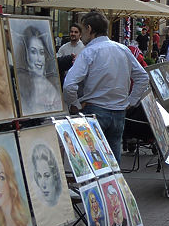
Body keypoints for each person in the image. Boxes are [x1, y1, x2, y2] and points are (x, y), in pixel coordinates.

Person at [63, 10, 149, 164]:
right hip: (118, 111)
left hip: (96, 110)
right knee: (113, 159)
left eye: (82, 31)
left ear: (89, 29)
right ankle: (115, 186)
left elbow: (69, 85)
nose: (81, 35)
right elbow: (143, 77)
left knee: (94, 161)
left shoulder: (89, 52)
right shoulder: (122, 49)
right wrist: (131, 101)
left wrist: (74, 105)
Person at [16, 25, 62, 115]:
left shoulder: (51, 86)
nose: (39, 59)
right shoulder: (22, 85)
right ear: (26, 55)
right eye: (33, 52)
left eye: (41, 52)